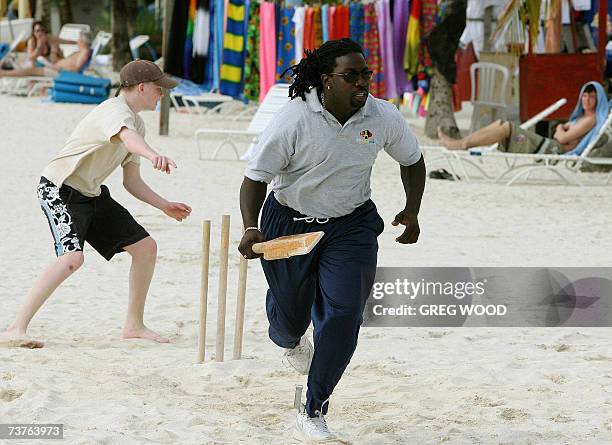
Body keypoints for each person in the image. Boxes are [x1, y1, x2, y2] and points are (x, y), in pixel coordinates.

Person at [237, 38, 425, 443]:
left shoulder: (382, 116)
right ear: (326, 81)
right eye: (350, 76)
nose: (362, 83)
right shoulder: (294, 119)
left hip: (351, 226)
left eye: (366, 75)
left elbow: (412, 160)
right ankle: (288, 338)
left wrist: (412, 210)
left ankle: (314, 407)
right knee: (290, 317)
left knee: (343, 315)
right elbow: (255, 178)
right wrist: (251, 228)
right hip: (289, 221)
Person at [0, 60, 191, 349]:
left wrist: (163, 205)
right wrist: (154, 156)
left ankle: (134, 325)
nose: (162, 94)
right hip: (59, 188)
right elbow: (127, 138)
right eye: (158, 88)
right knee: (72, 259)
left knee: (145, 248)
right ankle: (15, 328)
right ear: (141, 87)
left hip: (91, 194)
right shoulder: (112, 111)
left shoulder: (137, 123)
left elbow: (132, 182)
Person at [438, 81, 609, 156]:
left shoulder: (590, 119)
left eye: (592, 97)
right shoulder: (583, 117)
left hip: (553, 150)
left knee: (507, 128)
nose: (587, 100)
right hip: (551, 145)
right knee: (501, 124)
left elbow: (562, 138)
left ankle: (461, 144)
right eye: (585, 96)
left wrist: (560, 128)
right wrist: (564, 129)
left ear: (598, 99)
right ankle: (462, 142)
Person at [0, 30, 91, 78]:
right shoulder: (80, 52)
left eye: (79, 39)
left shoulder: (84, 52)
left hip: (58, 72)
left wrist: (55, 67)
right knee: (30, 66)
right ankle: (4, 71)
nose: (77, 41)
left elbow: (75, 69)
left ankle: (4, 73)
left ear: (83, 41)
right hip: (54, 67)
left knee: (30, 70)